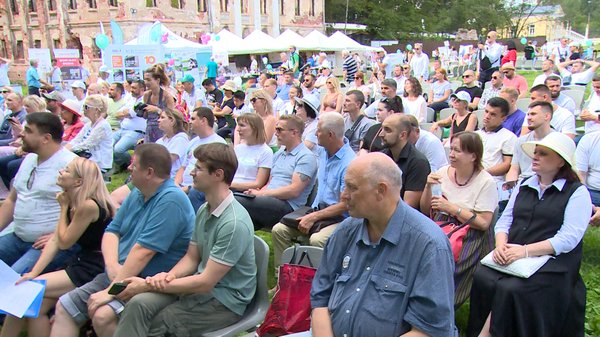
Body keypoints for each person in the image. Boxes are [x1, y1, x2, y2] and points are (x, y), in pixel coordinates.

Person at [49, 144, 194, 337]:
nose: (129, 168)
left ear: (149, 172)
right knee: (64, 307)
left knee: (102, 315)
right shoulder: (138, 192)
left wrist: (111, 290)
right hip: (120, 273)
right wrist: (111, 265)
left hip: (146, 281)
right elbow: (112, 231)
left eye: (134, 166)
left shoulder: (171, 200)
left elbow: (143, 253)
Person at [112, 143, 255, 337]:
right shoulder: (205, 209)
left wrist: (148, 284)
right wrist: (166, 277)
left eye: (198, 168)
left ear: (218, 175)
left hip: (224, 301)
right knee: (138, 305)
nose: (192, 173)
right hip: (200, 291)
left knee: (158, 325)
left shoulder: (234, 223)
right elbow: (191, 258)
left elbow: (206, 282)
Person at [311, 152, 456, 337]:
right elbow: (320, 299)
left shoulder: (429, 245)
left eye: (351, 187)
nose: (343, 195)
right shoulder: (345, 231)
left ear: (381, 190)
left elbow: (429, 331)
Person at [467, 132, 591, 337]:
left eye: (543, 154)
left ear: (561, 161)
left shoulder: (577, 193)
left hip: (554, 262)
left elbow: (568, 239)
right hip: (515, 253)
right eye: (535, 152)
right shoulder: (524, 184)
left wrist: (524, 252)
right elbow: (504, 221)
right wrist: (500, 246)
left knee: (512, 288)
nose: (535, 157)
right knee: (483, 277)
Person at [0, 158, 116, 337]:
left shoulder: (88, 206)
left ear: (78, 181)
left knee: (24, 292)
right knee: (34, 306)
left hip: (94, 266)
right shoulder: (73, 200)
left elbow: (64, 242)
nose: (61, 172)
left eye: (66, 171)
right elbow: (54, 241)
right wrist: (33, 272)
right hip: (80, 261)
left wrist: (63, 207)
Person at [420, 131, 498, 306]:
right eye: (451, 149)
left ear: (473, 156)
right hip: (441, 225)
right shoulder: (442, 172)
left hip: (470, 234)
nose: (452, 154)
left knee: (444, 265)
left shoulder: (486, 182)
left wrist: (452, 208)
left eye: (458, 150)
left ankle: (440, 307)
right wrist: (427, 187)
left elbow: (483, 223)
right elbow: (426, 210)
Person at [271, 112, 354, 269]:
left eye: (318, 130)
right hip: (317, 212)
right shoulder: (323, 152)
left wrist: (314, 217)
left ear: (330, 135)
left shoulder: (349, 163)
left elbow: (346, 205)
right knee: (279, 230)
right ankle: (284, 280)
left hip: (340, 219)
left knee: (317, 240)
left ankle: (312, 285)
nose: (315, 134)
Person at [0, 113, 77, 274]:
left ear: (46, 138)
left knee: (14, 281)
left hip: (47, 244)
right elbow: (12, 200)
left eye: (28, 130)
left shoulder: (72, 165)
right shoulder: (29, 159)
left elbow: (90, 210)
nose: (21, 133)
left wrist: (59, 236)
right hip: (17, 237)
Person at [235, 114, 317, 230]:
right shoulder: (279, 153)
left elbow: (294, 191)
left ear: (294, 132)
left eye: (279, 130)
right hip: (269, 201)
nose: (275, 133)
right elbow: (269, 183)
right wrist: (256, 192)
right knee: (235, 211)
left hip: (288, 207)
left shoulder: (306, 157)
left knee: (234, 201)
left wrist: (261, 194)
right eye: (275, 129)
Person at [173, 107, 226, 211]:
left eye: (193, 119)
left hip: (200, 188)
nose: (189, 121)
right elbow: (183, 167)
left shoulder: (218, 144)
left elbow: (212, 176)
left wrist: (184, 189)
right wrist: (175, 184)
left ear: (203, 121)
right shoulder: (193, 142)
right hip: (182, 186)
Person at [379, 114, 431, 209]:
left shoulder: (418, 163)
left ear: (402, 135)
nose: (381, 134)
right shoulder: (382, 156)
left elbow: (408, 207)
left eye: (387, 130)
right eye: (382, 129)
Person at [507, 101, 555, 184]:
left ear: (547, 116)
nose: (528, 118)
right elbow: (514, 169)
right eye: (528, 114)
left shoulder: (557, 140)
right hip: (522, 184)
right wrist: (510, 187)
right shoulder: (521, 141)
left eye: (533, 114)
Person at [66, 95, 113, 173]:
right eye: (84, 106)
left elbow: (86, 144)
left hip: (99, 163)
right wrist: (65, 149)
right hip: (89, 159)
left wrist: (67, 151)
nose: (84, 109)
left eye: (86, 107)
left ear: (96, 110)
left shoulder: (103, 126)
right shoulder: (88, 124)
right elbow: (77, 140)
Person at [476, 97, 517, 183]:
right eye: (486, 111)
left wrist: (483, 173)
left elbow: (507, 164)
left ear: (503, 118)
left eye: (493, 114)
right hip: (472, 179)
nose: (487, 116)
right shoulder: (475, 135)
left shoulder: (509, 137)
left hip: (493, 181)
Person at [231, 113, 272, 191]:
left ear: (254, 128)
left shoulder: (266, 152)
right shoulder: (238, 148)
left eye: (242, 125)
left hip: (247, 192)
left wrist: (231, 185)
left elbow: (258, 183)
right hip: (230, 188)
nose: (238, 129)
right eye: (238, 125)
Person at [112, 80, 147, 170]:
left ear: (142, 89)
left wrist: (127, 113)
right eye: (131, 87)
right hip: (122, 129)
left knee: (118, 149)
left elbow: (131, 113)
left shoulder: (144, 100)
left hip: (135, 132)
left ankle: (128, 163)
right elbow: (117, 114)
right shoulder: (131, 99)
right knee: (108, 143)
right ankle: (122, 164)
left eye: (134, 88)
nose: (131, 90)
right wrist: (126, 113)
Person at [142, 64, 175, 143]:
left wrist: (157, 110)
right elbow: (146, 116)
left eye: (149, 80)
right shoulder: (147, 95)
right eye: (145, 79)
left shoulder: (167, 96)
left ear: (157, 80)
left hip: (163, 131)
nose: (146, 82)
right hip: (149, 130)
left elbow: (172, 117)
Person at [155, 109, 189, 179]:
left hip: (172, 179)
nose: (158, 120)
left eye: (162, 117)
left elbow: (166, 161)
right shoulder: (160, 140)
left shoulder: (181, 139)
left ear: (172, 121)